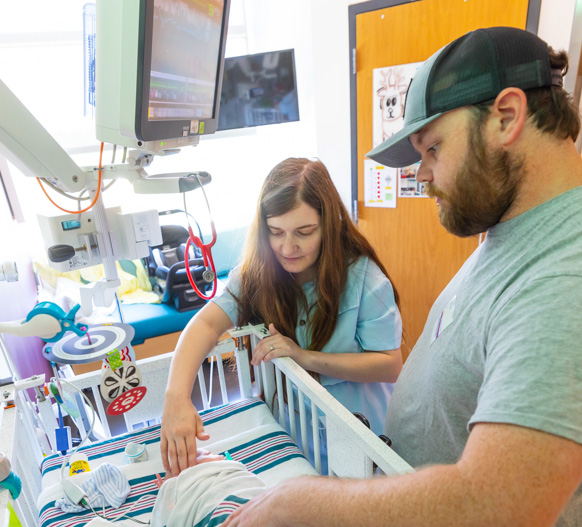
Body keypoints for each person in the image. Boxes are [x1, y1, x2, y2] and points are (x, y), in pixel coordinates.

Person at [212, 27, 582, 527]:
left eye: (433, 148)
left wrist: (297, 501)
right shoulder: (517, 229)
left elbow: (494, 518)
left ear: (507, 118)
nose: (421, 175)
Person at [161, 158, 403, 477]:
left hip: (360, 435)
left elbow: (389, 364)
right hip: (295, 437)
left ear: (328, 226)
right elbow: (206, 324)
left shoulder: (364, 283)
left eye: (304, 232)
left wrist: (304, 358)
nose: (288, 247)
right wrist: (176, 397)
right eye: (276, 232)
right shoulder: (257, 275)